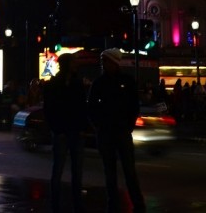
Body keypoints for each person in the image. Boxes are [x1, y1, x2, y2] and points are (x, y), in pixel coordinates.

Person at [86, 48, 145, 213]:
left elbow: (134, 105)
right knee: (113, 172)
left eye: (106, 61)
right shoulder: (104, 82)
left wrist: (127, 125)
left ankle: (131, 205)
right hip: (110, 131)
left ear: (114, 62)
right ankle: (120, 205)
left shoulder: (118, 81)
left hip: (117, 131)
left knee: (125, 172)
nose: (103, 64)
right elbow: (91, 108)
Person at [43, 52, 87, 213]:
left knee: (61, 169)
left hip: (66, 131)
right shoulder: (71, 83)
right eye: (74, 62)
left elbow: (51, 109)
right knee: (73, 170)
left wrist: (57, 129)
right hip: (69, 130)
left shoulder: (57, 83)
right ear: (68, 64)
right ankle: (73, 204)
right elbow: (81, 108)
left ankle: (57, 203)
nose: (76, 65)